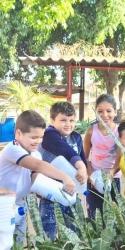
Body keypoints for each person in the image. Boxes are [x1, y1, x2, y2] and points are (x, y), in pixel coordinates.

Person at [0, 110, 76, 236]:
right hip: (1, 208)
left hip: (20, 208)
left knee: (18, 249)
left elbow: (36, 178)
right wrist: (65, 177)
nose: (38, 141)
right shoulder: (12, 149)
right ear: (18, 133)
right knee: (0, 248)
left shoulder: (36, 153)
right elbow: (38, 165)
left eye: (41, 137)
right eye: (34, 137)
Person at [38, 101, 88, 239]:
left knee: (74, 233)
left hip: (71, 193)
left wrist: (84, 172)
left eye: (71, 120)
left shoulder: (76, 137)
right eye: (63, 120)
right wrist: (81, 166)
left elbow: (82, 157)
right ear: (52, 121)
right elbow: (63, 149)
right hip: (49, 195)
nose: (68, 124)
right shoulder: (48, 134)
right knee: (48, 236)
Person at [83, 94, 122, 218]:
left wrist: (110, 176)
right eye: (100, 111)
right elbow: (84, 157)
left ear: (115, 112)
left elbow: (119, 162)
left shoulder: (120, 132)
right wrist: (92, 177)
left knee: (113, 218)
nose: (105, 115)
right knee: (94, 217)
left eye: (109, 111)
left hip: (114, 179)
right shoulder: (90, 132)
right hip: (94, 180)